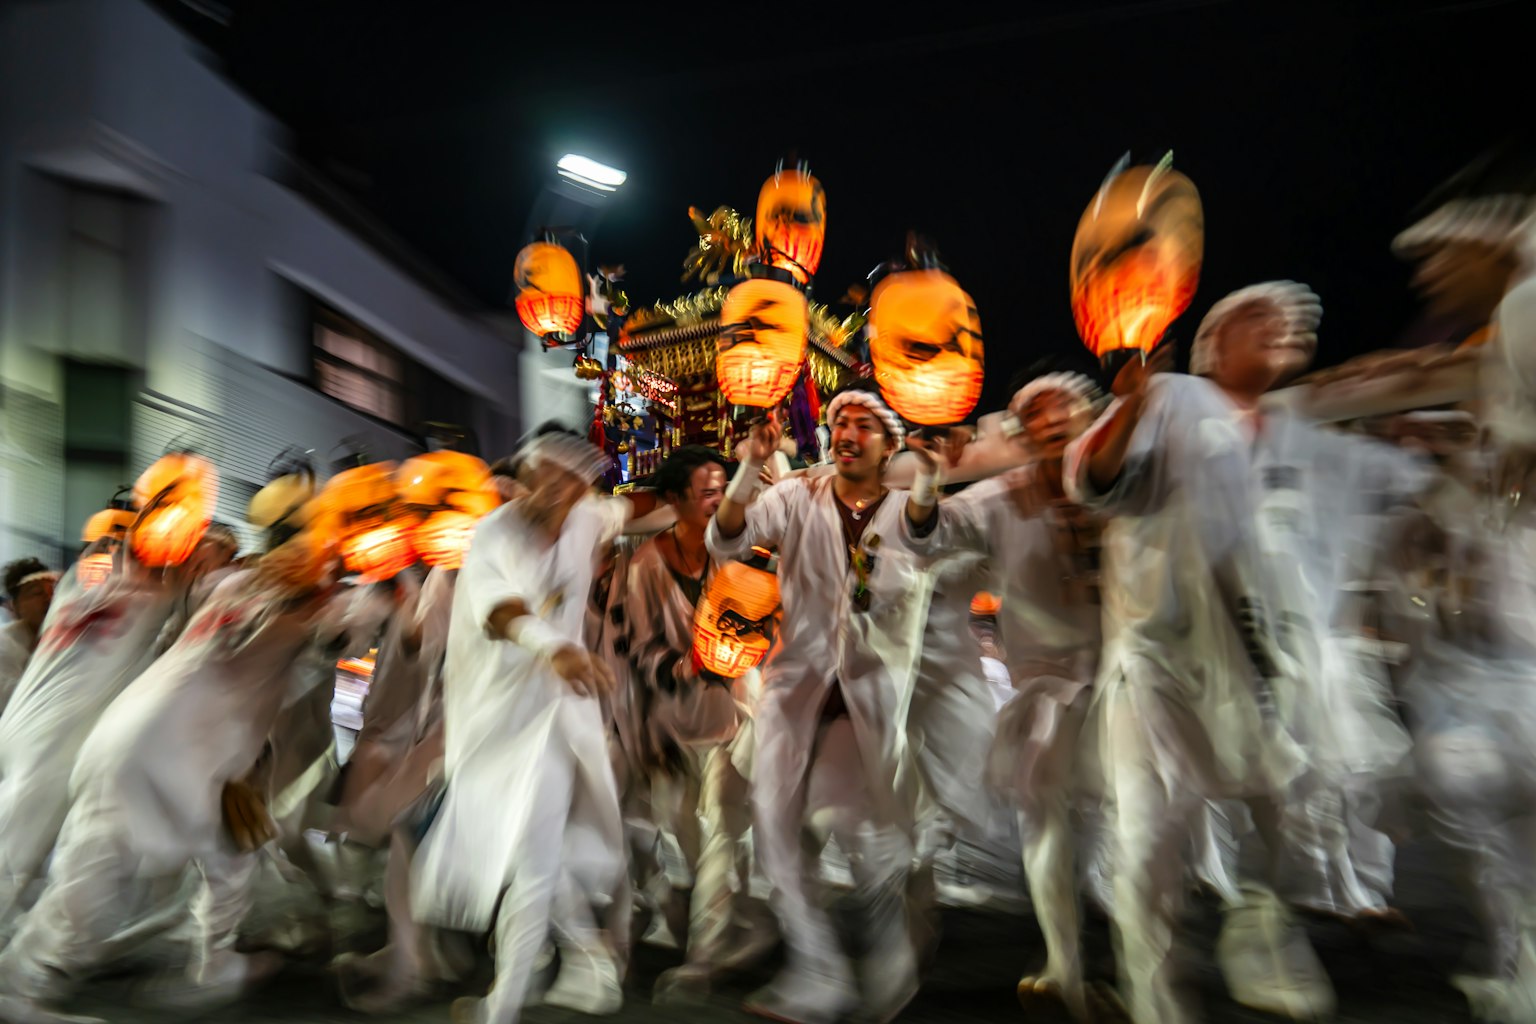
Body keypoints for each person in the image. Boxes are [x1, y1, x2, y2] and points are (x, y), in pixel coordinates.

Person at [0, 519, 376, 1024]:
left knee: (126, 866)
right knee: (199, 858)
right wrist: (373, 586)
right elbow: (337, 634)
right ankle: (200, 965)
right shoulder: (297, 611)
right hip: (184, 756)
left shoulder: (229, 587)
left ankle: (30, 978)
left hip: (129, 737)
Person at [1059, 305, 1323, 1024]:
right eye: (1258, 317)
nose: (1286, 323)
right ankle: (1156, 1002)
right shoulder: (1173, 396)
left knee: (1290, 814)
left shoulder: (1294, 424)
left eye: (1295, 318)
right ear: (1212, 344)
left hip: (1259, 658)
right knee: (1148, 838)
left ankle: (1261, 943)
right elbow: (1093, 479)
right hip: (1155, 662)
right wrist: (1131, 403)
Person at [706, 382, 936, 1024]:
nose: (848, 432)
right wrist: (751, 464)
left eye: (866, 424)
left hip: (869, 690)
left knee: (862, 830)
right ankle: (818, 969)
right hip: (795, 686)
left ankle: (891, 954)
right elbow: (727, 541)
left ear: (889, 446)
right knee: (773, 824)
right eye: (841, 421)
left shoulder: (906, 511)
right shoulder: (794, 494)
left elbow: (910, 567)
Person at [410, 430, 640, 1024]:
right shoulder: (495, 533)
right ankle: (590, 965)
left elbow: (638, 509)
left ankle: (503, 1004)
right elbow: (501, 612)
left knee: (534, 860)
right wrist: (551, 647)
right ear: (526, 474)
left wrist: (740, 478)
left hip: (555, 719)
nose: (549, 489)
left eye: (566, 479)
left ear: (580, 485)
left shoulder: (588, 518)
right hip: (494, 722)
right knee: (524, 856)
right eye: (540, 474)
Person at [905, 371, 1110, 1021]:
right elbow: (926, 537)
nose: (1054, 423)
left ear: (1092, 421)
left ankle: (1113, 964)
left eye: (1066, 411)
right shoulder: (995, 500)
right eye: (1037, 415)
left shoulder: (1122, 486)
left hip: (1127, 683)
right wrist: (927, 477)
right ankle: (1064, 964)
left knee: (1119, 835)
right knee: (1046, 815)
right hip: (1045, 686)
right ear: (1020, 434)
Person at [621, 446, 773, 1002]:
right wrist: (686, 663)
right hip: (673, 719)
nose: (717, 501)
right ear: (674, 500)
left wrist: (746, 653)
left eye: (721, 490)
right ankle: (750, 926)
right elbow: (640, 647)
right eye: (707, 491)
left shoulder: (747, 556)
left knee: (721, 835)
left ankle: (703, 962)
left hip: (736, 717)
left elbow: (769, 624)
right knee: (689, 836)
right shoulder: (644, 567)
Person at [0, 560, 57, 715]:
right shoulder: (4, 645)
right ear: (15, 606)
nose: (48, 599)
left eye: (52, 591)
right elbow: (13, 702)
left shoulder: (63, 638)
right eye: (37, 593)